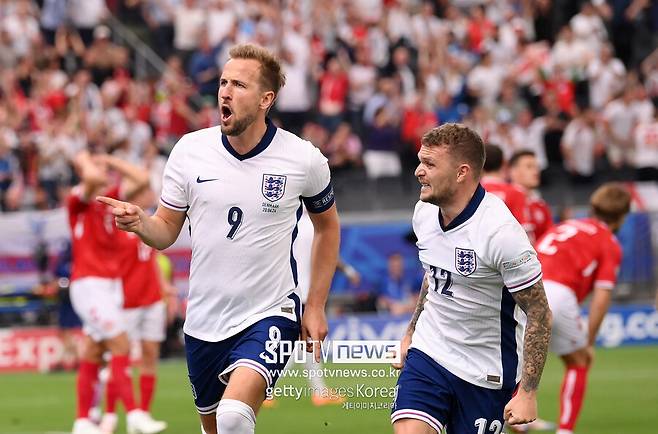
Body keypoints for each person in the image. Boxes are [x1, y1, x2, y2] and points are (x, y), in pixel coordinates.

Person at [98, 43, 340, 434]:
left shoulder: (303, 159)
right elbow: (165, 231)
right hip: (204, 323)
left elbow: (328, 227)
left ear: (266, 99)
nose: (224, 91)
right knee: (215, 428)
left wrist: (315, 305)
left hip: (270, 313)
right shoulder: (190, 152)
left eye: (239, 85)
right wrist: (142, 222)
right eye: (223, 82)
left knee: (233, 418)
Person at [391, 123, 552, 434]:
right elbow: (434, 276)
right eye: (421, 161)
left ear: (461, 172)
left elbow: (540, 312)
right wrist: (410, 332)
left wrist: (528, 393)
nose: (418, 172)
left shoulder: (500, 233)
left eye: (430, 164)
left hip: (485, 372)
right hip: (430, 353)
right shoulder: (423, 213)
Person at [67, 151, 166, 434]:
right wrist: (86, 159)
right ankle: (134, 414)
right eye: (98, 167)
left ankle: (83, 420)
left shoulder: (108, 199)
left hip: (111, 287)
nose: (104, 171)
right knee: (121, 345)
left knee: (94, 351)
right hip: (89, 285)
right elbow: (92, 178)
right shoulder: (80, 200)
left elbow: (142, 178)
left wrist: (108, 159)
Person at [536, 183, 631, 434]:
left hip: (523, 288)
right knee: (578, 360)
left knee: (514, 359)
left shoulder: (564, 226)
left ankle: (509, 422)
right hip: (558, 292)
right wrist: (589, 340)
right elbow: (602, 296)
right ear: (622, 216)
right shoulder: (609, 242)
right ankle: (565, 430)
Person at [101, 189, 170, 434]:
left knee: (150, 354)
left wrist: (165, 289)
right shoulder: (117, 227)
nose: (151, 196)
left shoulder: (149, 223)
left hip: (151, 299)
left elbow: (152, 259)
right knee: (120, 360)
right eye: (145, 193)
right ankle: (109, 415)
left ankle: (142, 414)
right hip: (126, 302)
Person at [481, 143, 532, 236]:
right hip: (506, 247)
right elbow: (525, 230)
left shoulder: (471, 191)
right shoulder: (516, 192)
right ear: (504, 163)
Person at [509, 150, 554, 244]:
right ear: (513, 171)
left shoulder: (540, 204)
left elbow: (550, 236)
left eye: (537, 167)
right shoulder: (503, 201)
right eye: (529, 167)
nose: (535, 171)